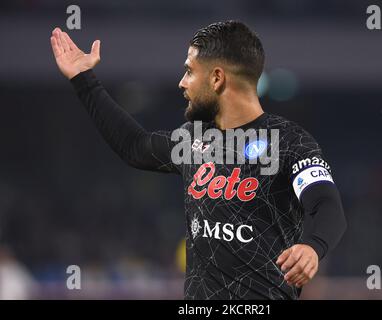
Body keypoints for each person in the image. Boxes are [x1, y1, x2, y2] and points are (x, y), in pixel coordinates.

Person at [50, 20, 346, 299]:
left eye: (190, 71)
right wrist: (83, 80)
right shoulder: (192, 140)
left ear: (217, 78)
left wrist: (312, 247)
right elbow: (135, 146)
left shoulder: (289, 141)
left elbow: (325, 203)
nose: (182, 83)